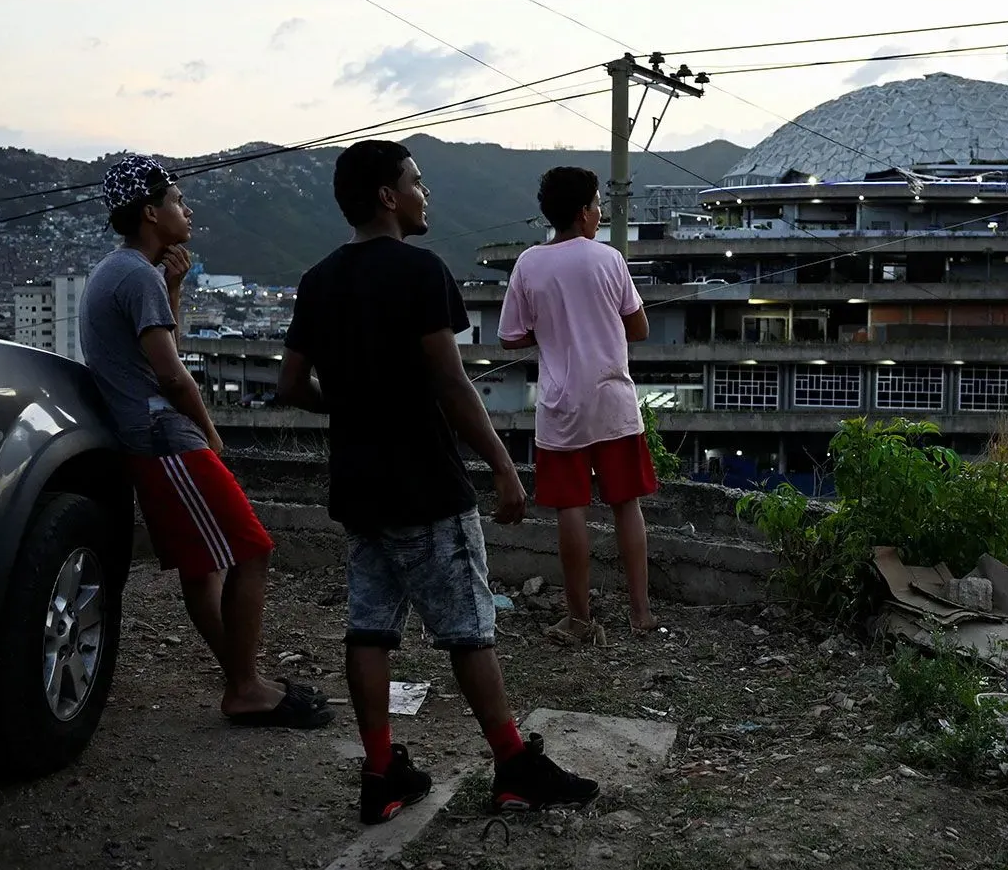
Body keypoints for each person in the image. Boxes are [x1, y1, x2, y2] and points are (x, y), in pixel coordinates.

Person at [275, 139, 598, 826]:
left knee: (369, 628)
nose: (426, 194)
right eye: (417, 182)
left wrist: (353, 403)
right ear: (389, 196)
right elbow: (450, 381)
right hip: (425, 482)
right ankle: (513, 764)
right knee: (468, 631)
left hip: (358, 486)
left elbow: (290, 384)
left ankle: (380, 773)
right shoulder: (420, 271)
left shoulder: (318, 279)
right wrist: (504, 466)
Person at [81, 154, 331, 730]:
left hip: (147, 439)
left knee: (203, 567)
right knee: (253, 549)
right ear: (151, 212)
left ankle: (246, 681)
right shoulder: (134, 275)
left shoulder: (125, 272)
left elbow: (154, 346)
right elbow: (170, 373)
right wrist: (212, 434)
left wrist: (173, 287)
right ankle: (244, 687)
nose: (186, 210)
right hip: (166, 436)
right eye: (176, 200)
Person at [497, 167, 657, 645]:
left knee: (571, 508)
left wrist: (550, 331)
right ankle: (640, 614)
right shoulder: (608, 259)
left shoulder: (529, 263)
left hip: (561, 403)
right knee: (625, 505)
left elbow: (510, 337)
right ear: (584, 212)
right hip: (613, 399)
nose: (600, 212)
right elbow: (640, 327)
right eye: (597, 205)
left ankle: (580, 618)